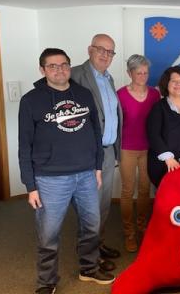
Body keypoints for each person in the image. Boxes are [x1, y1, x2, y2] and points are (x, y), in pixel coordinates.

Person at [18, 48, 115, 294]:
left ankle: (89, 268)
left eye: (64, 65)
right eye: (53, 66)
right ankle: (47, 281)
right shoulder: (31, 100)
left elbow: (95, 132)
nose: (59, 70)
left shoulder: (83, 94)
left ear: (70, 67)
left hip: (86, 175)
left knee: (91, 226)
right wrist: (30, 186)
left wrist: (97, 166)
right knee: (48, 234)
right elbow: (24, 145)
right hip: (50, 179)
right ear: (42, 70)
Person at [71, 34, 122, 270]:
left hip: (108, 151)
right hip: (86, 153)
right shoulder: (74, 75)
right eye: (100, 49)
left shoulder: (108, 78)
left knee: (102, 205)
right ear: (89, 49)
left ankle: (97, 244)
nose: (105, 54)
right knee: (89, 206)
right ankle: (88, 257)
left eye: (110, 51)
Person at [117, 54, 160, 253]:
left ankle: (143, 228)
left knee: (144, 190)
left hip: (148, 148)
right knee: (127, 191)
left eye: (145, 73)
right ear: (129, 73)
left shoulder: (154, 95)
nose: (142, 76)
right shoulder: (120, 95)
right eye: (138, 72)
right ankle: (129, 233)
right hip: (127, 148)